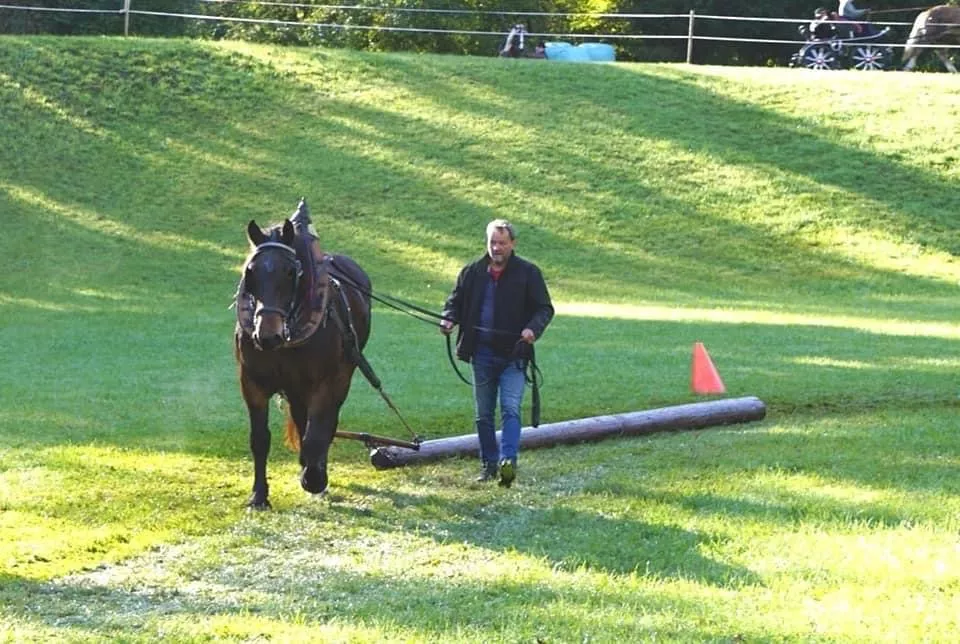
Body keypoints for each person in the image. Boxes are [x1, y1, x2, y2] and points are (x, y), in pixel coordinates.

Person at [440, 219, 554, 488]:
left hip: (513, 354)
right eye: (492, 242)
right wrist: (448, 319)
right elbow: (454, 302)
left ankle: (508, 462)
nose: (496, 248)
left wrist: (531, 330)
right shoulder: (472, 272)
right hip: (481, 353)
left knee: (511, 409)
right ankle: (489, 465)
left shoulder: (528, 273)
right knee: (483, 414)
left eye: (502, 243)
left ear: (512, 244)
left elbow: (544, 309)